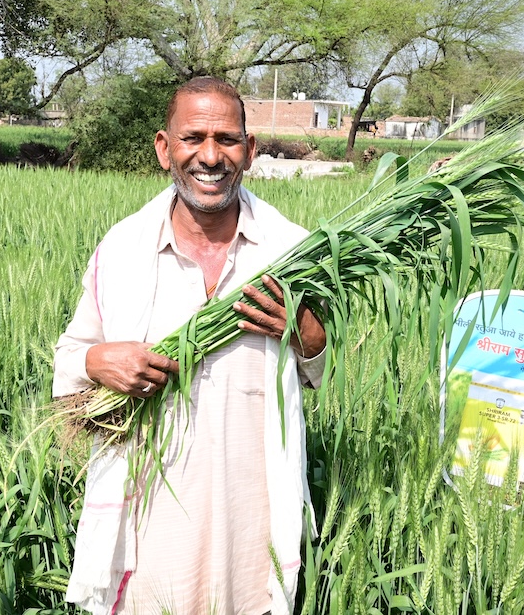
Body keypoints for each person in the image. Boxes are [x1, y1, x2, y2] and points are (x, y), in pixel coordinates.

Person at [53, 76, 326, 615]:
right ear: (164, 149)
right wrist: (95, 360)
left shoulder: (292, 250)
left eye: (226, 139)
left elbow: (323, 364)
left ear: (249, 152)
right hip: (150, 512)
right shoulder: (123, 248)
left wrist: (304, 332)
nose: (209, 156)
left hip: (252, 510)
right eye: (192, 137)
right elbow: (71, 357)